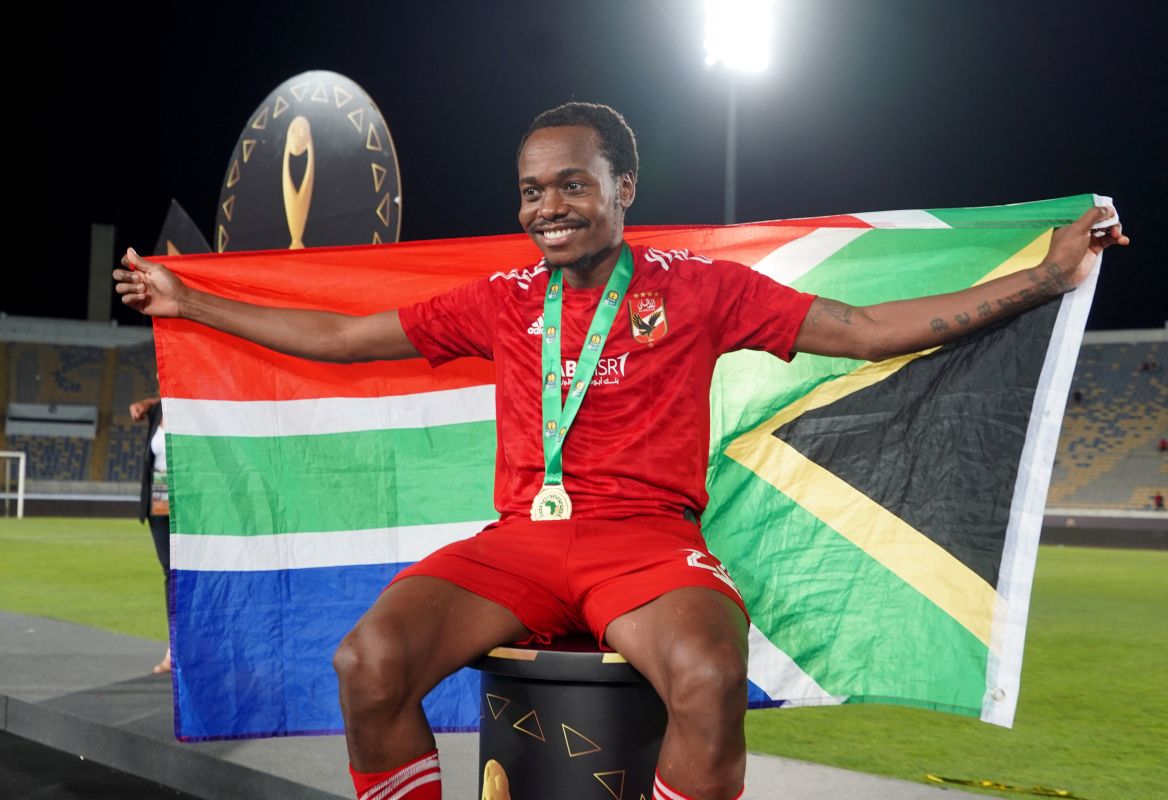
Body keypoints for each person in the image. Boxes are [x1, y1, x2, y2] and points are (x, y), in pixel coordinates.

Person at [114, 102, 1128, 800]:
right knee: (366, 659)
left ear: (621, 185)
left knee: (705, 675)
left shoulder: (698, 287)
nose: (545, 206)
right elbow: (338, 339)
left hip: (643, 544)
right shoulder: (499, 300)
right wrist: (187, 296)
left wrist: (1041, 280)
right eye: (528, 189)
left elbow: (863, 331)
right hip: (517, 543)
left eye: (569, 184)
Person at [130, 392, 171, 674]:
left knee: (190, 574)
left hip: (192, 501)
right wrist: (145, 404)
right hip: (160, 501)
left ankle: (186, 648)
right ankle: (174, 649)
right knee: (171, 573)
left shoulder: (196, 410)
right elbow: (160, 400)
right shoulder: (159, 410)